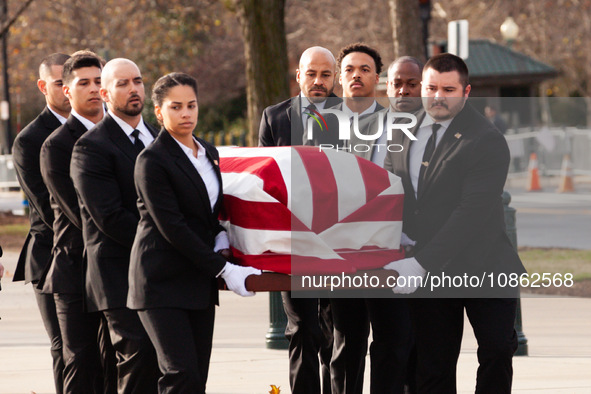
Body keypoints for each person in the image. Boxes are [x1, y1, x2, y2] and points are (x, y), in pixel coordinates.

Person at [383, 53, 526, 393]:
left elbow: (471, 212)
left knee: (495, 353)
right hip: (429, 274)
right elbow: (391, 191)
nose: (437, 96)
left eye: (448, 89)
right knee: (433, 364)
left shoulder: (486, 139)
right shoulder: (401, 131)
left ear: (466, 91)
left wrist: (421, 263)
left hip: (484, 266)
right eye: (431, 87)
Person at [128, 72, 261, 393]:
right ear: (158, 112)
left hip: (197, 281)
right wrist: (225, 270)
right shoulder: (151, 160)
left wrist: (223, 239)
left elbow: (209, 213)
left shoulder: (209, 153)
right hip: (160, 281)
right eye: (176, 107)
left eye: (191, 105)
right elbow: (172, 226)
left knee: (197, 377)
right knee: (180, 374)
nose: (186, 113)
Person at [333, 44, 423, 394]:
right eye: (350, 69)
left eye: (365, 69)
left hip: (392, 254)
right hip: (345, 255)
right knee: (345, 342)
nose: (357, 75)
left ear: (378, 79)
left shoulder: (404, 128)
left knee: (393, 342)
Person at [70, 58, 160, 393]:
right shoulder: (90, 147)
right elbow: (108, 217)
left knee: (167, 363)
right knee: (139, 357)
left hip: (160, 272)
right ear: (105, 93)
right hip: (116, 274)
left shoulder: (158, 136)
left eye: (137, 81)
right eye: (122, 84)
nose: (133, 89)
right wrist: (168, 240)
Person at [258, 46, 339, 394]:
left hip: (342, 244)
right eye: (311, 74)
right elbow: (263, 182)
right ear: (299, 76)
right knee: (303, 330)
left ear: (334, 77)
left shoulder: (356, 117)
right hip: (294, 247)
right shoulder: (274, 118)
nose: (318, 82)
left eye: (325, 74)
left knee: (338, 335)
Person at [40, 50, 116, 393]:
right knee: (82, 367)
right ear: (67, 91)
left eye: (99, 82)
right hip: (74, 273)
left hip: (114, 272)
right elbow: (81, 212)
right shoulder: (55, 146)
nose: (92, 89)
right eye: (82, 83)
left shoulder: (123, 137)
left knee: (118, 364)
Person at [11, 52, 70, 394]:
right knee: (66, 348)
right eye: (59, 83)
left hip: (100, 254)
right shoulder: (30, 140)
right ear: (43, 85)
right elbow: (48, 209)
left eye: (70, 82)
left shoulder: (99, 128)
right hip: (51, 257)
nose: (66, 90)